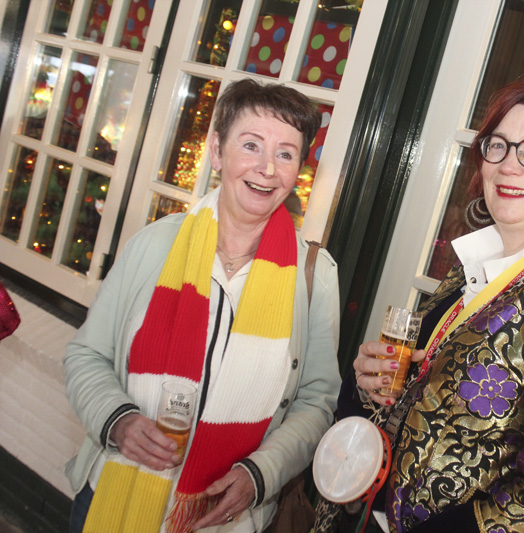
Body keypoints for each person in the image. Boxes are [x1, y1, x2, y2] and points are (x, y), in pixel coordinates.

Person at [316, 75, 524, 533]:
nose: (509, 165)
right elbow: (418, 404)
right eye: (498, 146)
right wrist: (365, 386)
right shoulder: (470, 268)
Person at [63, 78, 341, 533]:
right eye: (251, 145)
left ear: (298, 170)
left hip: (224, 522)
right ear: (217, 151)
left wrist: (261, 474)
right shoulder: (154, 245)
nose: (267, 168)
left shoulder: (315, 276)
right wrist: (118, 421)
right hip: (114, 494)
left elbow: (316, 401)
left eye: (286, 154)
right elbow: (86, 355)